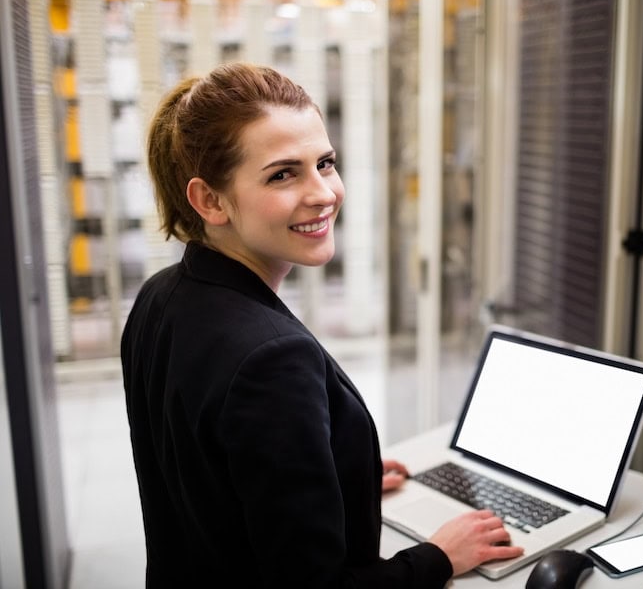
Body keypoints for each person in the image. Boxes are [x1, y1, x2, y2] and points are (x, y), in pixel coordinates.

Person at [120, 62, 523, 588]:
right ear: (210, 200)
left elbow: (209, 478)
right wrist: (438, 557)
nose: (324, 193)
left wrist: (333, 478)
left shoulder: (160, 298)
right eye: (283, 174)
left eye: (325, 163)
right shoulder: (272, 358)